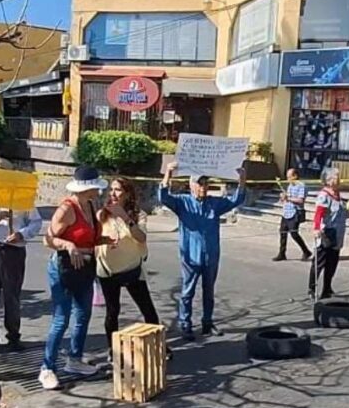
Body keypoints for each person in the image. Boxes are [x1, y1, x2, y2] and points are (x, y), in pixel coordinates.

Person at [159, 162, 247, 342]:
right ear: (191, 185)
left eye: (206, 184)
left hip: (211, 255)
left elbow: (236, 199)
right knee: (187, 291)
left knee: (209, 290)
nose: (203, 187)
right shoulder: (182, 202)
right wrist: (168, 173)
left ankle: (208, 322)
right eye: (200, 184)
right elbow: (163, 197)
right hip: (190, 256)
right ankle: (186, 324)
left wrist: (242, 179)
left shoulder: (214, 203)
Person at [40, 166, 108, 390]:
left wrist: (102, 240)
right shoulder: (66, 209)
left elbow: (88, 236)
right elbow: (48, 239)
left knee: (83, 315)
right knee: (61, 318)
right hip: (64, 268)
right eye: (94, 189)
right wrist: (69, 245)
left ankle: (74, 359)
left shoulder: (90, 204)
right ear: (86, 188)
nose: (98, 192)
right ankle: (47, 368)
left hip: (86, 267)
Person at [0, 156, 42, 354]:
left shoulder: (22, 197)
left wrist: (22, 233)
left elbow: (35, 222)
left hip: (12, 251)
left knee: (11, 296)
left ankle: (13, 336)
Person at [96, 177, 160, 357]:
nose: (113, 194)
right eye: (111, 190)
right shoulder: (102, 214)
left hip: (131, 268)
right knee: (112, 311)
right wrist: (103, 240)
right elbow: (94, 238)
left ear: (127, 194)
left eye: (118, 190)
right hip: (108, 269)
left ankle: (158, 345)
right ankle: (113, 350)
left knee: (147, 309)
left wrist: (124, 217)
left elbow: (141, 237)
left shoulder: (139, 215)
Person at [308, 168, 349, 301]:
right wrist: (316, 228)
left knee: (332, 262)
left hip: (338, 233)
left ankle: (327, 288)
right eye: (337, 177)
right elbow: (319, 213)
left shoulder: (338, 194)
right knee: (319, 262)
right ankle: (312, 288)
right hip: (327, 232)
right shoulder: (324, 195)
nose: (339, 179)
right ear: (329, 180)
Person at [273, 168, 312, 262]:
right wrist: (283, 197)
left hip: (295, 213)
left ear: (295, 176)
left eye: (289, 177)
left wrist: (288, 198)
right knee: (283, 233)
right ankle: (282, 253)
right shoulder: (290, 185)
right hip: (286, 212)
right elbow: (288, 198)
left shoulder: (301, 186)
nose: (288, 179)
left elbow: (300, 200)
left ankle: (306, 251)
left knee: (294, 233)